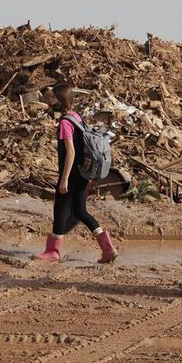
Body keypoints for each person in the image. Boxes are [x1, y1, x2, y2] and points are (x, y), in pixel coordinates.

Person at [34, 82, 119, 264]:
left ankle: (53, 251)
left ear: (60, 99)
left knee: (59, 209)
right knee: (80, 210)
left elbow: (71, 152)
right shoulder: (76, 116)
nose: (51, 101)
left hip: (71, 173)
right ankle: (107, 247)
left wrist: (64, 179)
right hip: (83, 172)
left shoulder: (65, 122)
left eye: (53, 97)